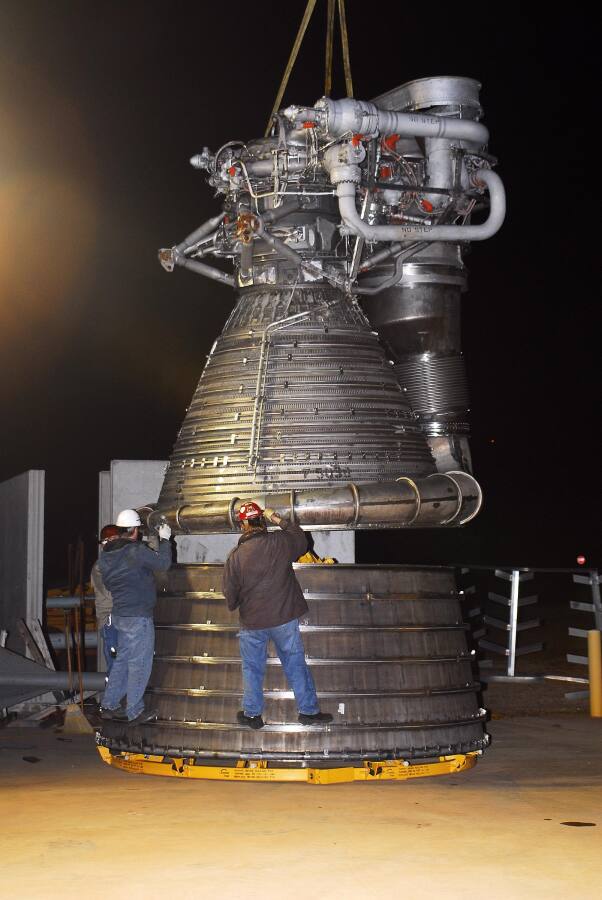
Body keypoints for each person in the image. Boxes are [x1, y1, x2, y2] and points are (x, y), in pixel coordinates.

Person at [223, 501, 333, 730]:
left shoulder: (235, 556)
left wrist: (240, 602)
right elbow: (302, 540)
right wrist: (278, 518)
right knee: (295, 664)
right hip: (283, 617)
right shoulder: (280, 542)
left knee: (252, 669)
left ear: (243, 525)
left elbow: (230, 596)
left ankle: (253, 715)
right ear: (261, 520)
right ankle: (308, 712)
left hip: (252, 622)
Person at [98, 508, 172, 724]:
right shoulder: (135, 551)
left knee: (122, 662)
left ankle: (109, 704)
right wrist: (165, 540)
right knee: (139, 663)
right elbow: (163, 564)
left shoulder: (106, 557)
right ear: (134, 530)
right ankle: (135, 711)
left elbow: (110, 583)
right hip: (138, 616)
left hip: (120, 615)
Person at [91, 524, 120, 674]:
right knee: (116, 670)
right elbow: (111, 593)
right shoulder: (100, 567)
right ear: (103, 544)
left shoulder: (122, 562)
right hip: (111, 622)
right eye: (109, 540)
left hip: (126, 620)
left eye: (116, 539)